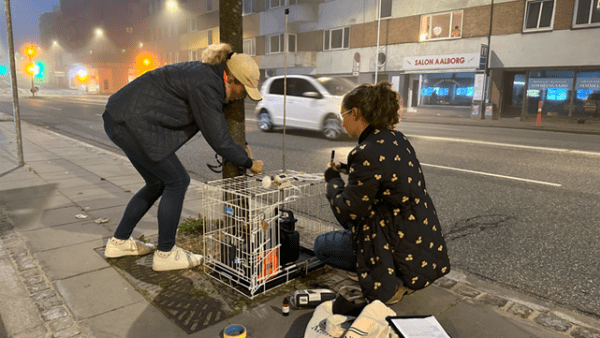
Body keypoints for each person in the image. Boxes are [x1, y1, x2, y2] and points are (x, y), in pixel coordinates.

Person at [102, 43, 264, 271]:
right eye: (244, 91)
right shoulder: (208, 85)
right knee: (177, 181)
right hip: (133, 123)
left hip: (120, 117)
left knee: (157, 182)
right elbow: (218, 139)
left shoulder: (203, 74)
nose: (242, 97)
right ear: (231, 80)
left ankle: (119, 242)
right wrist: (249, 162)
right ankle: (166, 253)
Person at [314, 82, 450, 305]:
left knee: (322, 245)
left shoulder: (365, 152)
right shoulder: (398, 140)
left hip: (390, 243)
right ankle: (389, 273)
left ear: (355, 113)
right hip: (416, 237)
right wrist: (348, 169)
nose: (342, 121)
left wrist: (333, 179)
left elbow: (348, 211)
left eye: (343, 115)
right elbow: (389, 176)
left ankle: (390, 281)